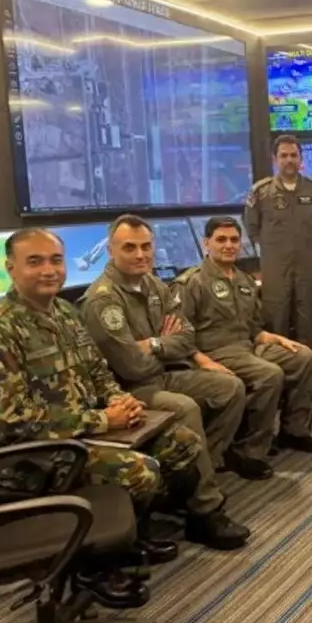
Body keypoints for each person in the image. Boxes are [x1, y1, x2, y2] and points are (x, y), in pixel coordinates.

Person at [0, 228, 249, 553]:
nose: (49, 270)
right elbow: (11, 421)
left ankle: (146, 525)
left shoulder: (65, 313)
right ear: (11, 268)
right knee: (141, 471)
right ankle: (109, 553)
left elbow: (98, 371)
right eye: (35, 261)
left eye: (56, 260)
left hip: (87, 433)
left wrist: (119, 399)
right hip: (38, 455)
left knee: (183, 444)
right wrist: (102, 420)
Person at [80, 214, 251, 547]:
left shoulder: (153, 285)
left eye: (146, 246)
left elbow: (187, 336)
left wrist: (155, 344)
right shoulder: (103, 300)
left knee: (230, 388)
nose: (141, 254)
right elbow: (131, 366)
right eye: (129, 247)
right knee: (184, 408)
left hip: (163, 374)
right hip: (128, 390)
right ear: (111, 251)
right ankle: (204, 510)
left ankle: (191, 478)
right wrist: (166, 345)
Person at [174, 215, 312, 481]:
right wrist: (202, 361)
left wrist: (276, 339)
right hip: (214, 352)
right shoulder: (192, 283)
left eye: (234, 240)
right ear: (206, 243)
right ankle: (247, 451)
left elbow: (254, 329)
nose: (229, 245)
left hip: (248, 346)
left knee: (304, 357)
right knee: (269, 374)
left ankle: (295, 431)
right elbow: (179, 336)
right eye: (221, 240)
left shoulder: (244, 281)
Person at [243, 134, 312, 349]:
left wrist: (306, 246)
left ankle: (309, 363)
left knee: (307, 316)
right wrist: (269, 249)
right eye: (284, 156)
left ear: (301, 159)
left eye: (294, 155)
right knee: (275, 315)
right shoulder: (261, 192)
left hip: (304, 262)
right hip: (274, 264)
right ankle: (276, 363)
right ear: (275, 159)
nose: (289, 160)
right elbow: (251, 226)